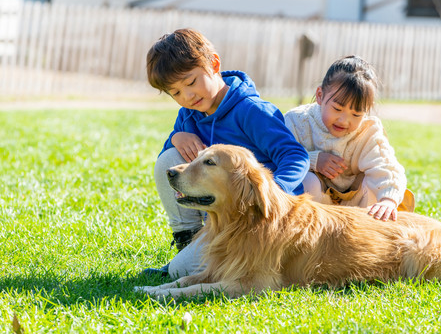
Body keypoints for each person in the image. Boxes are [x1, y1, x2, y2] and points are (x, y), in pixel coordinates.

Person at [143, 28, 310, 278]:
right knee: (168, 159)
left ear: (214, 63)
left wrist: (273, 193)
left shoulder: (250, 111)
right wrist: (176, 138)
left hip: (255, 219)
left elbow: (295, 156)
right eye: (175, 93)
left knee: (182, 271)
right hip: (219, 217)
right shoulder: (189, 116)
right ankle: (187, 243)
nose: (187, 96)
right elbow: (172, 165)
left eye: (191, 82)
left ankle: (199, 261)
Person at [284, 55, 414, 222]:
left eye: (356, 114)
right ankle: (309, 230)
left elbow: (387, 167)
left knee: (375, 184)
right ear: (320, 95)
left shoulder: (368, 131)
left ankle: (366, 229)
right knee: (306, 179)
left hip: (355, 208)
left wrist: (388, 200)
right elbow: (278, 156)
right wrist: (313, 160)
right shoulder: (297, 121)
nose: (344, 120)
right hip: (316, 207)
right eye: (337, 109)